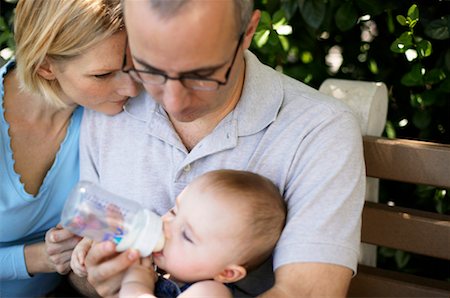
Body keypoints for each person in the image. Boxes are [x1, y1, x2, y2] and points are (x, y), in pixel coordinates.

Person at [76, 0, 366, 297]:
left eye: (201, 75)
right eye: (150, 69)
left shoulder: (317, 129)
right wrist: (98, 276)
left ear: (248, 31)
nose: (174, 102)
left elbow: (305, 293)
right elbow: (82, 268)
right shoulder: (110, 105)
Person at [0, 0, 139, 296]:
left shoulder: (106, 114)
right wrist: (38, 257)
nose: (132, 89)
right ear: (45, 66)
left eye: (133, 66)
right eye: (103, 75)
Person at [71, 170, 286, 297]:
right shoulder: (158, 268)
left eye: (187, 236)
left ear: (227, 274)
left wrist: (135, 284)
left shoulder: (211, 292)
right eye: (174, 212)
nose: (167, 226)